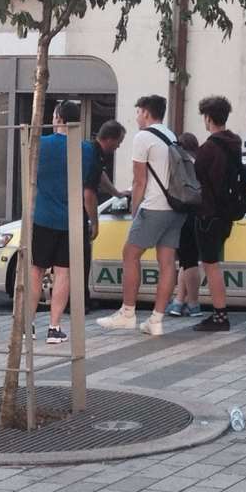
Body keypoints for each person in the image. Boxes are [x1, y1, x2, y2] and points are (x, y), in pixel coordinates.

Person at [97, 95, 185, 336]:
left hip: (154, 206)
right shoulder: (171, 136)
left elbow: (139, 180)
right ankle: (156, 320)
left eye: (138, 112)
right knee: (167, 262)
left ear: (146, 113)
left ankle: (127, 313)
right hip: (176, 209)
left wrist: (134, 210)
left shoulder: (143, 137)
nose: (136, 117)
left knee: (130, 254)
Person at [26, 101, 83, 344]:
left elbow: (29, 174)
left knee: (36, 270)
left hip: (42, 216)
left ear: (58, 118)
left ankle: (28, 324)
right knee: (63, 273)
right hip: (69, 220)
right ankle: (54, 326)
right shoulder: (83, 149)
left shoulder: (39, 144)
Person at [190, 96, 243, 332]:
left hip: (208, 214)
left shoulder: (209, 148)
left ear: (208, 118)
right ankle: (220, 313)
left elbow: (195, 179)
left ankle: (220, 315)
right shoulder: (234, 143)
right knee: (213, 262)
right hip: (226, 212)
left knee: (210, 264)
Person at [82, 120, 128, 309]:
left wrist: (117, 194)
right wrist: (95, 223)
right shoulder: (93, 155)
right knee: (81, 258)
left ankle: (81, 298)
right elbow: (89, 194)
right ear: (109, 139)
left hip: (70, 210)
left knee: (80, 258)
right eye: (119, 141)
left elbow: (100, 176)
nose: (119, 146)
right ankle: (79, 301)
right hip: (76, 213)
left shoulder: (93, 151)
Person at [167, 132, 203, 318]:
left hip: (181, 212)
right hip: (197, 213)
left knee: (188, 261)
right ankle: (179, 302)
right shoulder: (199, 163)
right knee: (187, 260)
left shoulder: (180, 163)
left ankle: (193, 303)